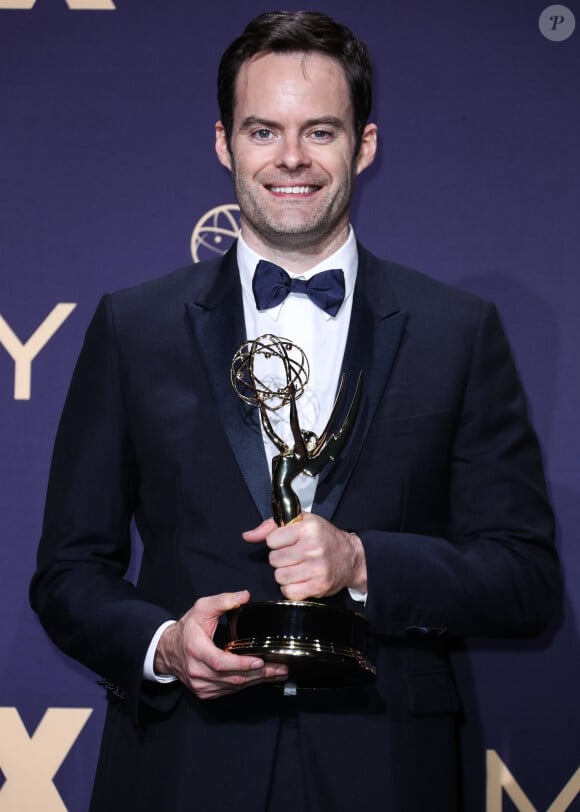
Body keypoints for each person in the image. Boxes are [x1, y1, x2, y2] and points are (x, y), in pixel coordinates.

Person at [30, 10, 560, 812]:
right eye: (262, 131)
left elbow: (525, 582)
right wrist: (166, 647)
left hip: (389, 766)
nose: (290, 159)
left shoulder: (457, 332)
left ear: (365, 145)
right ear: (223, 143)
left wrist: (362, 561)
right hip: (182, 768)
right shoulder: (132, 327)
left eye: (320, 131)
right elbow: (68, 572)